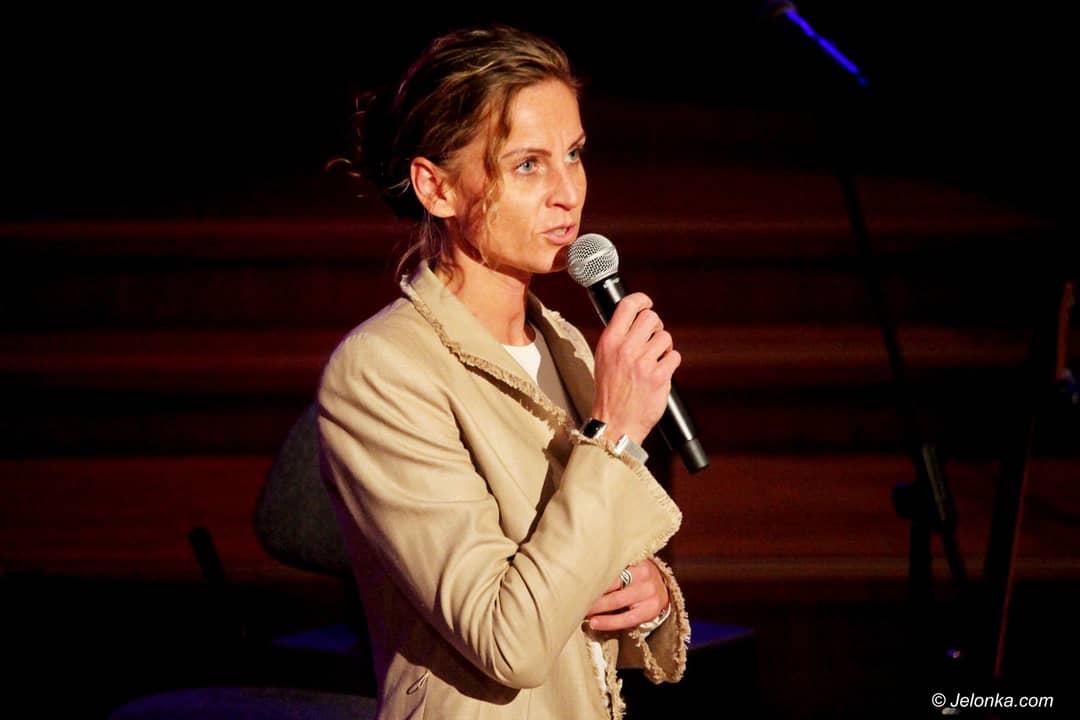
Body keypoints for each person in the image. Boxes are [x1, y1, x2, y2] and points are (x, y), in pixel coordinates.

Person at [317, 24, 689, 719]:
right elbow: (507, 640)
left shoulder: (567, 344)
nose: (567, 192)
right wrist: (613, 437)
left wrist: (650, 593)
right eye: (527, 165)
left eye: (573, 154)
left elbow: (586, 551)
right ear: (436, 188)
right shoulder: (380, 371)